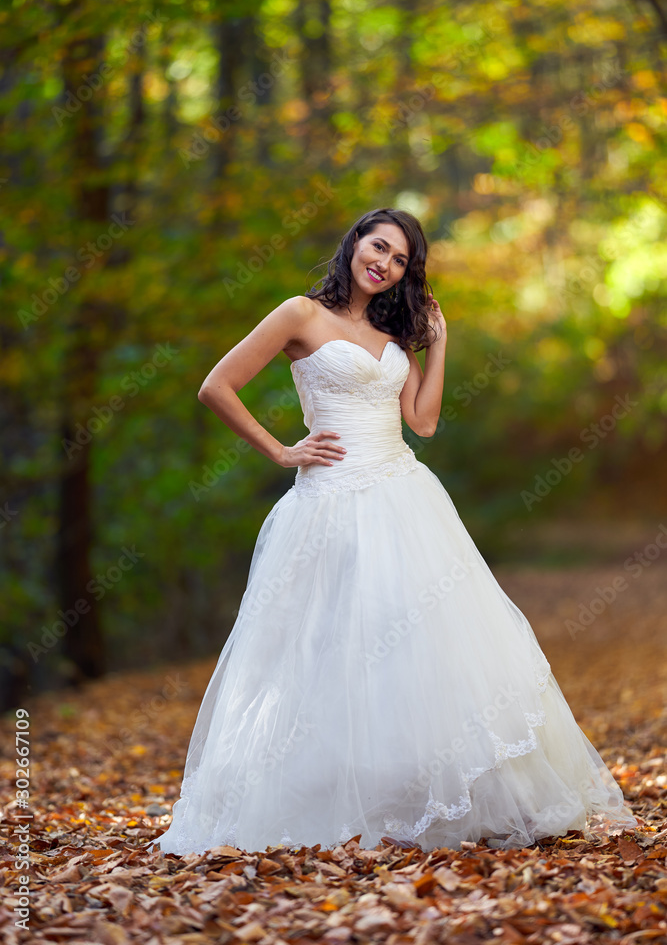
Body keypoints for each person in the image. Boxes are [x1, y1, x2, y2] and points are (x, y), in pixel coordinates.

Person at [149, 207, 637, 856]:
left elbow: (423, 423)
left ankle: (420, 798)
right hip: (330, 501)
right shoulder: (301, 313)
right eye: (377, 246)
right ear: (354, 243)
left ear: (407, 272)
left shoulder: (391, 333)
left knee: (421, 645)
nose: (384, 262)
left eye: (400, 258)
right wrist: (279, 450)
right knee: (330, 647)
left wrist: (437, 342)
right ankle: (329, 797)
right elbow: (216, 386)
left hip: (404, 495)